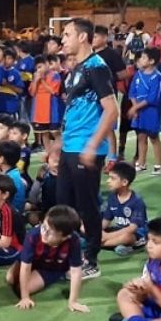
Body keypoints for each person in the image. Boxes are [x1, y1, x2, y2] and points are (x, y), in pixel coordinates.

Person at [58, 18, 119, 279]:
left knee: (88, 206)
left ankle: (91, 260)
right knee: (63, 204)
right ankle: (69, 255)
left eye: (67, 34)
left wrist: (93, 146)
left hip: (86, 147)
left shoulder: (97, 67)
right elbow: (73, 110)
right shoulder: (75, 70)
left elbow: (112, 109)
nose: (62, 40)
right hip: (70, 146)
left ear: (83, 37)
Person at [7, 204, 89, 313]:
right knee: (10, 278)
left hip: (52, 268)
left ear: (65, 236)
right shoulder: (33, 235)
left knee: (21, 288)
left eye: (50, 232)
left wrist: (73, 301)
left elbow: (75, 272)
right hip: (33, 262)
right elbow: (26, 267)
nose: (44, 233)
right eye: (44, 227)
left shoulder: (74, 240)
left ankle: (59, 276)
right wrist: (25, 297)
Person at [94, 25, 130, 169]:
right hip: (92, 97)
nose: (93, 40)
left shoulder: (112, 54)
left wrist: (108, 78)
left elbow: (124, 73)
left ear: (104, 38)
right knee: (94, 126)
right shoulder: (90, 53)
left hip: (107, 95)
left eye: (96, 37)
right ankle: (98, 156)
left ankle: (112, 158)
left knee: (108, 128)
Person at [127, 47, 161, 174]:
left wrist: (135, 108)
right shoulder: (138, 74)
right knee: (141, 137)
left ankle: (159, 165)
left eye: (143, 58)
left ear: (152, 61)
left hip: (151, 112)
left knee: (154, 138)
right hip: (138, 112)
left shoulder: (157, 77)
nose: (140, 60)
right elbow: (132, 92)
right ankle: (141, 163)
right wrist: (134, 106)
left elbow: (152, 98)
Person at [101, 162, 148, 256]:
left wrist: (107, 236)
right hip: (118, 230)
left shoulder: (137, 201)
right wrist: (98, 232)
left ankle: (97, 244)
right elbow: (106, 220)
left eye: (112, 178)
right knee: (87, 227)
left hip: (136, 235)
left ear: (124, 182)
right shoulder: (112, 197)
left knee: (126, 237)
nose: (108, 181)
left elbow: (132, 228)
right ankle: (113, 245)